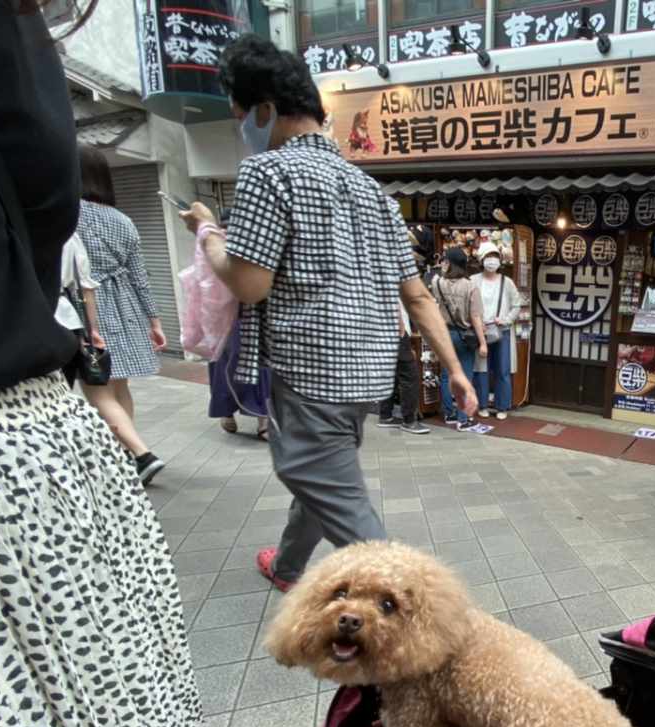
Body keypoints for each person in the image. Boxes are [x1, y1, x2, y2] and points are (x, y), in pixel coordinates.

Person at [0, 4, 245, 727]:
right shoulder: (112, 221)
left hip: (49, 382)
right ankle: (128, 437)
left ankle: (129, 437)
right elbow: (37, 179)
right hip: (28, 415)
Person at [180, 34, 476, 591]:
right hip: (368, 375)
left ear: (266, 111)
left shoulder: (269, 174)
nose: (242, 127)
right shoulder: (372, 191)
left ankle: (413, 607)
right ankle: (289, 567)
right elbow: (416, 296)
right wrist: (454, 370)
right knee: (325, 473)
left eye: (242, 115)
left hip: (312, 372)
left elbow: (248, 283)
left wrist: (207, 232)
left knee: (319, 477)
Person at [76, 145, 168, 484]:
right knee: (120, 388)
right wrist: (154, 321)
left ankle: (141, 454)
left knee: (98, 392)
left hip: (90, 310)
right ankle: (126, 456)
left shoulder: (68, 215)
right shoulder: (123, 220)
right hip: (126, 307)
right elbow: (139, 276)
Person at [207, 211, 270, 438]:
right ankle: (227, 412)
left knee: (260, 365)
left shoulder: (253, 248)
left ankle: (264, 419)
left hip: (253, 315)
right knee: (225, 366)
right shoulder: (213, 249)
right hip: (224, 319)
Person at [378, 238, 430, 435]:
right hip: (394, 331)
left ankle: (385, 415)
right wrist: (400, 325)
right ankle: (409, 420)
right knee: (409, 375)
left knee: (389, 374)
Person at [433, 246, 487, 431]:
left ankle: (449, 413)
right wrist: (483, 343)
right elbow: (476, 317)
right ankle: (463, 419)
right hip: (464, 336)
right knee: (464, 375)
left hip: (444, 334)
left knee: (447, 375)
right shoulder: (471, 286)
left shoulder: (437, 282)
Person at [470, 240, 521, 420]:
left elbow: (517, 305)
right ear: (481, 259)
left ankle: (502, 406)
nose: (492, 261)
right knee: (481, 369)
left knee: (502, 369)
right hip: (480, 331)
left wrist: (505, 320)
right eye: (488, 257)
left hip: (502, 331)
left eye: (495, 257)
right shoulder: (473, 280)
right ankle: (482, 405)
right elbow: (468, 305)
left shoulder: (507, 282)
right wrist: (475, 323)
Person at [57, 230, 106, 386]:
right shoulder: (67, 232)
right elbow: (85, 287)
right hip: (65, 319)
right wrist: (93, 330)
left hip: (16, 323)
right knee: (62, 391)